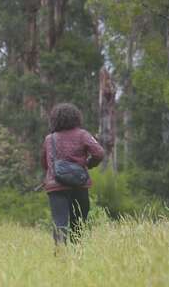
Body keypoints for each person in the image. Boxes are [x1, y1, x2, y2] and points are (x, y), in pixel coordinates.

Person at [40, 103, 104, 246]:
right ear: (76, 118)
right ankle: (77, 254)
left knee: (59, 222)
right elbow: (99, 153)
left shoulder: (49, 139)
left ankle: (61, 256)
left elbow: (44, 163)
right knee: (79, 221)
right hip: (78, 184)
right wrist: (88, 164)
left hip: (55, 186)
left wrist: (53, 173)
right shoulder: (82, 134)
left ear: (54, 120)